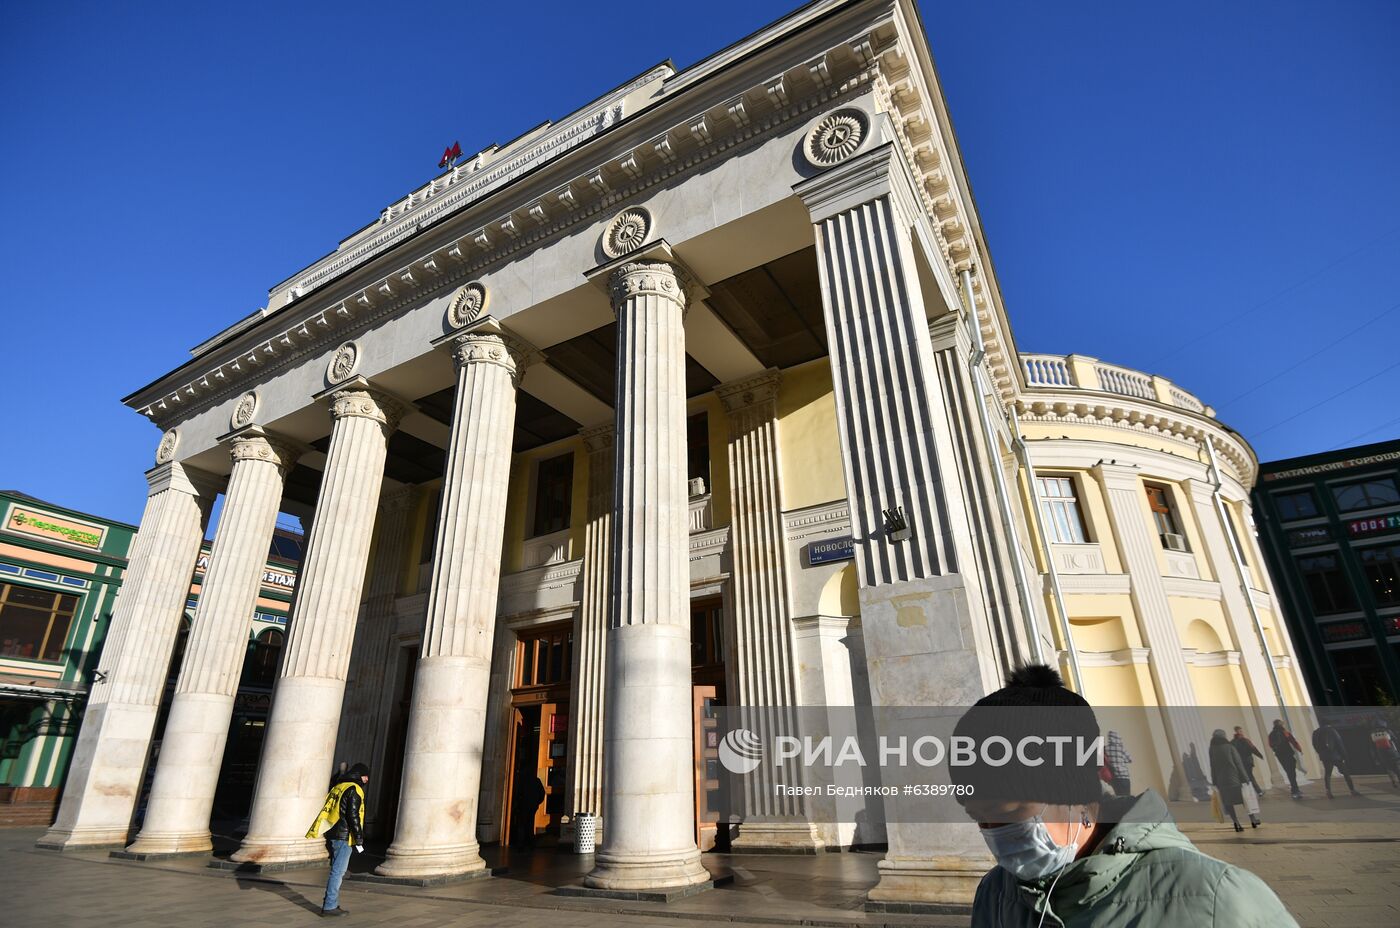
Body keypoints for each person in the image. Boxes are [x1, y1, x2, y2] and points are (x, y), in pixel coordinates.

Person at [953, 664, 1297, 927]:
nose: (994, 831)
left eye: (1009, 810)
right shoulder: (996, 893)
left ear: (1078, 799)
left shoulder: (1220, 898)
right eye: (979, 817)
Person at [305, 763, 369, 918]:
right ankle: (329, 906)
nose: (367, 779)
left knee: (336, 869)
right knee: (338, 871)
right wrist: (359, 837)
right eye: (366, 776)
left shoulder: (339, 787)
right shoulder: (354, 789)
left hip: (333, 833)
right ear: (360, 775)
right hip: (344, 835)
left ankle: (330, 902)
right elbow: (352, 815)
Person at [1209, 728, 1259, 831]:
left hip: (1222, 782)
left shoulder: (1212, 749)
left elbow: (1212, 766)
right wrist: (1246, 778)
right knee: (1245, 800)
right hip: (1234, 779)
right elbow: (1238, 764)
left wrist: (1214, 781)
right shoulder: (1229, 747)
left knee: (1228, 803)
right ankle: (1253, 820)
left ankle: (1236, 823)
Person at [1311, 723, 1361, 798]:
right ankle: (1352, 790)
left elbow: (1314, 745)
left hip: (1325, 757)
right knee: (1345, 773)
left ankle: (1328, 791)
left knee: (1328, 774)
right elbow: (1339, 743)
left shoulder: (1315, 732)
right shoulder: (1332, 731)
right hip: (1336, 756)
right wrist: (1344, 756)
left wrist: (1321, 753)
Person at [1267, 720, 1304, 799]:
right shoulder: (1284, 732)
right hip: (1288, 754)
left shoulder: (1271, 734)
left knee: (1289, 772)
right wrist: (1299, 749)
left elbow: (1270, 744)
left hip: (1280, 755)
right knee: (1292, 772)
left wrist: (1275, 750)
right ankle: (1295, 790)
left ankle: (1295, 789)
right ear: (1281, 725)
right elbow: (1293, 741)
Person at [1232, 725, 1265, 795]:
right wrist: (1260, 755)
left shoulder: (1232, 742)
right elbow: (1253, 748)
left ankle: (1250, 792)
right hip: (1248, 761)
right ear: (1237, 731)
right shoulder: (1245, 740)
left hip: (1239, 762)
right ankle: (1258, 791)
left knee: (1244, 777)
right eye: (1240, 731)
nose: (1242, 732)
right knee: (1250, 776)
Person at [1370, 716, 1400, 788]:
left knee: (1389, 768)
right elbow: (1396, 740)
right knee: (1397, 767)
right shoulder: (1388, 731)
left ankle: (1393, 780)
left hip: (1382, 755)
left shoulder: (1372, 734)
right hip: (1393, 753)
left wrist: (1375, 758)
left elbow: (1372, 748)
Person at [1104, 730, 1132, 797]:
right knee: (1127, 798)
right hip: (1125, 777)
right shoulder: (1120, 748)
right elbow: (1130, 759)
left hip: (1114, 778)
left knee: (1119, 797)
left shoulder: (1105, 748)